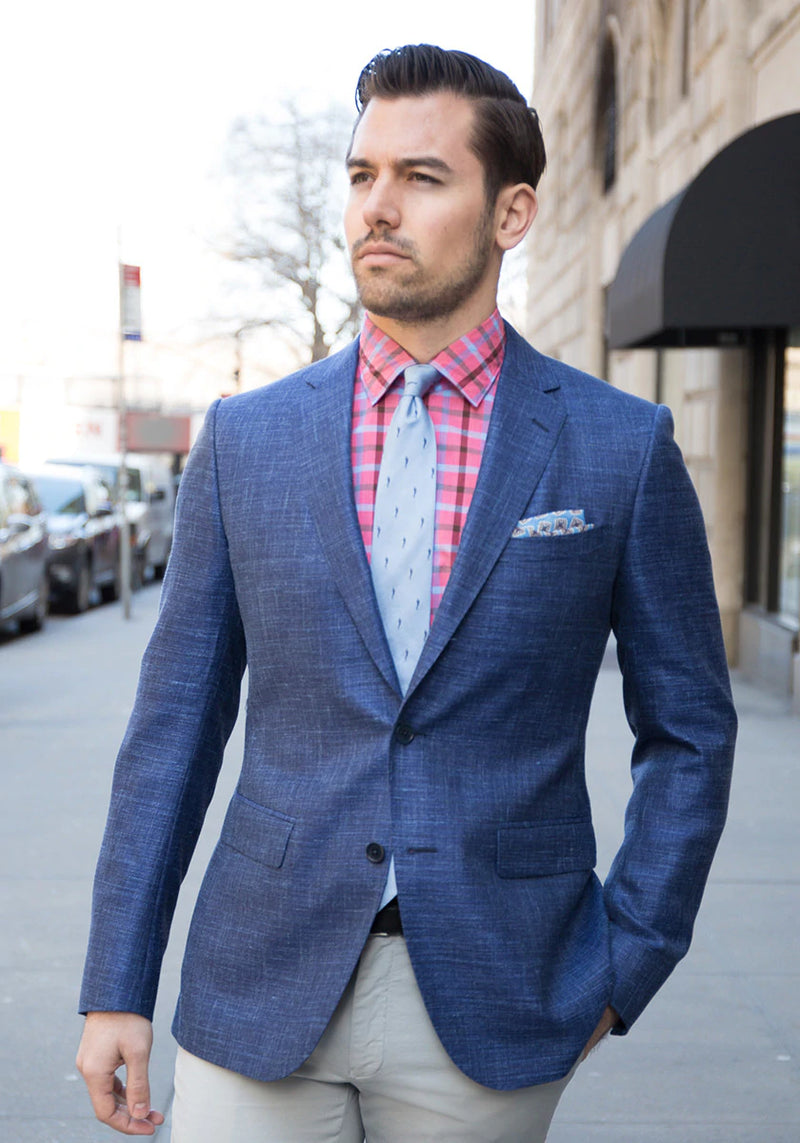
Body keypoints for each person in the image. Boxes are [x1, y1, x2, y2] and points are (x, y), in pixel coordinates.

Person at [76, 43, 736, 1142]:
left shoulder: (619, 447)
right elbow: (173, 727)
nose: (377, 208)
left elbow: (690, 733)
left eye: (422, 178)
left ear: (510, 213)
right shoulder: (247, 440)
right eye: (361, 175)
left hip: (500, 990)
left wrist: (626, 962)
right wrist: (117, 982)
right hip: (258, 981)